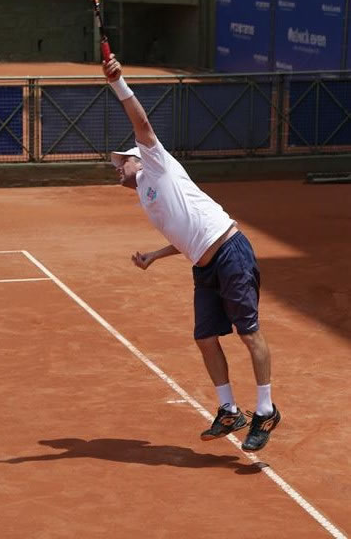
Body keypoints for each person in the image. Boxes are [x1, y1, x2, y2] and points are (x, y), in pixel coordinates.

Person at [103, 55, 281, 453]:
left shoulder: (156, 166)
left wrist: (118, 84)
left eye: (121, 161)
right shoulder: (147, 195)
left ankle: (266, 410)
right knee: (204, 337)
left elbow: (142, 125)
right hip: (204, 265)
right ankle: (229, 411)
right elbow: (185, 232)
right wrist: (155, 254)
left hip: (230, 252)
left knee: (248, 333)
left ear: (138, 158)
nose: (116, 167)